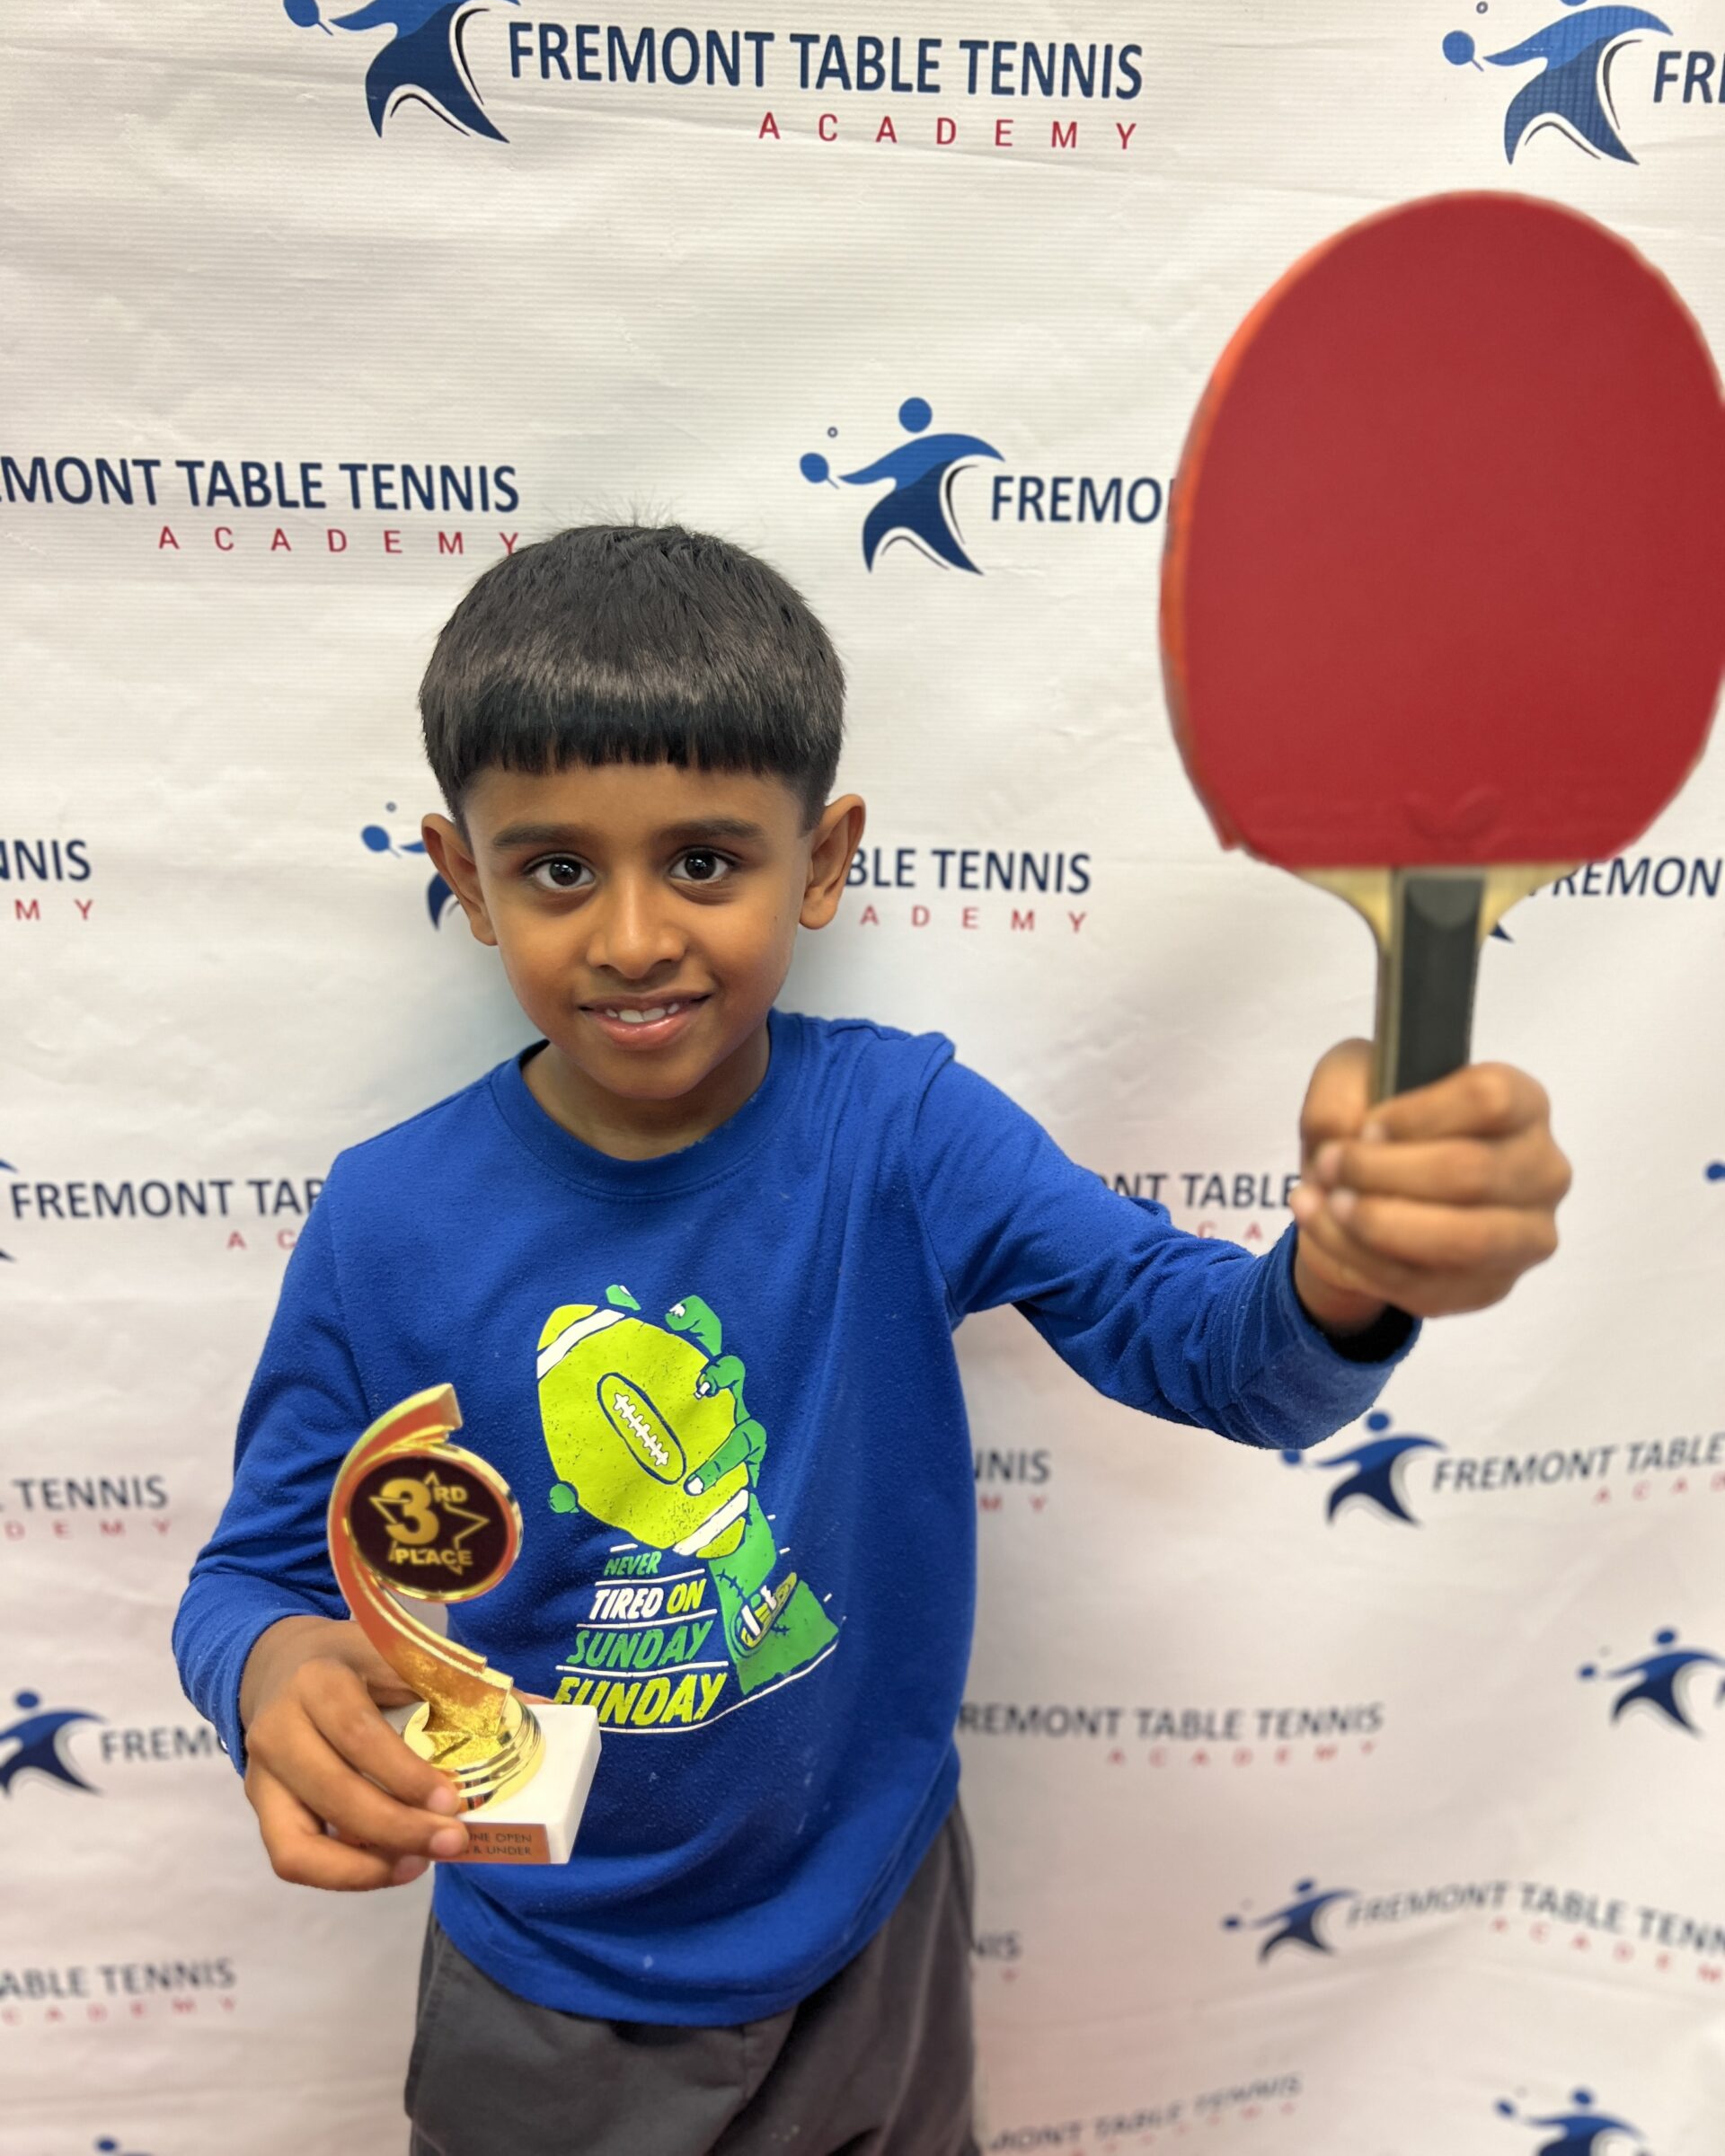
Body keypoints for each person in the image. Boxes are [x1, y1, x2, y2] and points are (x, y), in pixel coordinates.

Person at [173, 523, 1570, 2155]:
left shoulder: (901, 1128)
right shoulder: (384, 1215)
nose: (633, 935)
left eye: (706, 861)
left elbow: (1206, 1349)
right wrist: (269, 1674)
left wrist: (1350, 1272)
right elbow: (252, 1577)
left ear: (823, 862)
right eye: (559, 868)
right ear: (463, 874)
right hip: (540, 1981)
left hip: (872, 1936)